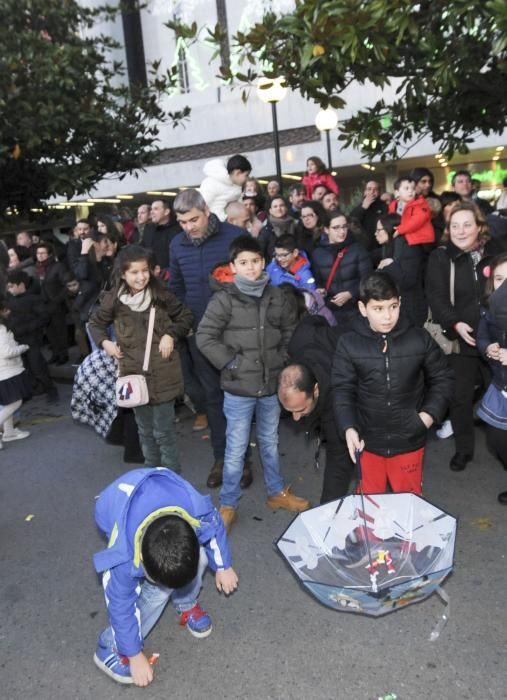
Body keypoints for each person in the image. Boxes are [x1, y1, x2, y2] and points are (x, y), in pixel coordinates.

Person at [196, 235, 309, 531]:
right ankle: (228, 504)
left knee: (270, 442)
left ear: (264, 262)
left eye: (256, 261)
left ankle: (276, 493)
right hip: (238, 388)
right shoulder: (224, 299)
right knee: (235, 449)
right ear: (232, 267)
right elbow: (205, 337)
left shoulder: (277, 296)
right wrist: (230, 363)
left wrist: (281, 359)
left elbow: (289, 329)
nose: (250, 267)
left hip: (271, 385)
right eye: (243, 263)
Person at [92, 467, 238, 686]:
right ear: (141, 561)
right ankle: (108, 645)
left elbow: (214, 527)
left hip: (163, 494)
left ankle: (185, 603)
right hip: (113, 505)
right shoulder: (123, 556)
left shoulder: (195, 510)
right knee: (159, 593)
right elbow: (120, 605)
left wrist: (224, 565)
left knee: (203, 558)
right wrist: (134, 655)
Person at [332, 271, 453, 494]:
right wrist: (348, 426)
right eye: (378, 309)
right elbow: (342, 389)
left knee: (408, 503)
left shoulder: (419, 338)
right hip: (366, 441)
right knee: (370, 504)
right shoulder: (348, 343)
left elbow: (443, 378)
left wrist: (426, 417)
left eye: (393, 306)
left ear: (400, 303)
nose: (387, 316)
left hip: (409, 439)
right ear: (362, 308)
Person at [89, 246, 193, 471]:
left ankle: (171, 477)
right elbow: (95, 323)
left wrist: (170, 334)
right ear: (123, 274)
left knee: (164, 432)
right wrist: (105, 343)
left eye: (144, 270)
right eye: (134, 272)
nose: (141, 276)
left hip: (164, 373)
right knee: (144, 431)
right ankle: (151, 474)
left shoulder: (161, 293)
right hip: (133, 374)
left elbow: (185, 316)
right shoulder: (114, 298)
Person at [169, 189, 248, 486]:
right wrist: (182, 321)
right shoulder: (177, 244)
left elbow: (249, 280)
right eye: (182, 222)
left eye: (194, 219)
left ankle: (243, 461)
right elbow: (176, 287)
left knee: (238, 398)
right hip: (199, 334)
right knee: (212, 398)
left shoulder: (232, 237)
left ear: (206, 210)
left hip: (234, 332)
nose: (189, 227)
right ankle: (222, 459)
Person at [426, 201, 504, 471]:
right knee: (459, 398)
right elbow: (436, 297)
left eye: (467, 225)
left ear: (479, 226)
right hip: (462, 341)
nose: (460, 231)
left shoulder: (495, 252)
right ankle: (464, 450)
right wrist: (455, 323)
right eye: (454, 226)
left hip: (497, 338)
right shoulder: (440, 257)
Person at [280, 332, 354, 503]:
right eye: (290, 411)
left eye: (301, 409)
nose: (296, 418)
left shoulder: (336, 397)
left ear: (316, 390)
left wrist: (327, 510)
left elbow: (338, 462)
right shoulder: (293, 369)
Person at [476, 253, 507, 504]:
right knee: (497, 441)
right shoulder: (489, 310)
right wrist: (488, 348)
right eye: (499, 278)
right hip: (501, 388)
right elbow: (482, 334)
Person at [312, 211, 372, 327]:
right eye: (336, 228)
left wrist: (351, 293)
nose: (342, 232)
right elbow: (318, 281)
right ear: (326, 229)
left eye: (344, 227)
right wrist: (320, 290)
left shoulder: (358, 249)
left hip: (356, 309)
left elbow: (368, 279)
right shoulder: (317, 253)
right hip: (330, 311)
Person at [6, 270, 58, 402]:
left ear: (21, 285)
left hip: (31, 340)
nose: (10, 289)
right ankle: (32, 390)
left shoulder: (34, 299)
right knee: (24, 368)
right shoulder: (10, 301)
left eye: (12, 286)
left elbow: (44, 317)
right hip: (17, 341)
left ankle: (51, 390)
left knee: (38, 367)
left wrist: (27, 328)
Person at [373, 213, 427, 327]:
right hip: (396, 308)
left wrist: (390, 265)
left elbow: (408, 281)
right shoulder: (388, 247)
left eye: (379, 230)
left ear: (391, 228)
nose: (375, 234)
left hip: (410, 311)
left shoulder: (408, 246)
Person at [0, 298, 32, 448]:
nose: (9, 312)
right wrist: (22, 348)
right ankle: (7, 431)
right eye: (5, 310)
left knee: (8, 402)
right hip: (8, 371)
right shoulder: (2, 329)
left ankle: (9, 432)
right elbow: (7, 352)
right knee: (15, 402)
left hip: (3, 372)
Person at [199, 154, 252, 221]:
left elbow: (239, 203)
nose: (247, 179)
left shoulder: (237, 186)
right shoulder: (211, 183)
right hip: (214, 222)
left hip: (232, 221)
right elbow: (202, 205)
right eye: (246, 175)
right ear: (237, 173)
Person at [388, 176, 435, 246]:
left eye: (413, 189)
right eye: (406, 188)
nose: (410, 191)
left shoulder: (421, 204)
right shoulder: (393, 205)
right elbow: (390, 220)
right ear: (397, 193)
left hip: (421, 241)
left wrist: (400, 230)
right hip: (406, 239)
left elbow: (416, 221)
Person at [142, 199, 179, 273]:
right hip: (152, 275)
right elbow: (143, 249)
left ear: (166, 212)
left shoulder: (178, 230)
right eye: (151, 209)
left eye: (156, 209)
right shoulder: (148, 229)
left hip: (173, 275)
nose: (151, 212)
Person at [349, 180, 388, 249]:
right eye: (369, 189)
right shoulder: (359, 207)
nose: (372, 192)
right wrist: (363, 208)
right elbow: (352, 222)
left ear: (379, 192)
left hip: (381, 246)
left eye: (375, 189)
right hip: (364, 247)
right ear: (365, 192)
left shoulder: (384, 206)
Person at [257, 195, 298, 259]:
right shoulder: (265, 231)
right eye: (275, 206)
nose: (279, 208)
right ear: (270, 211)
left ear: (286, 208)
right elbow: (260, 253)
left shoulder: (296, 225)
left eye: (281, 205)